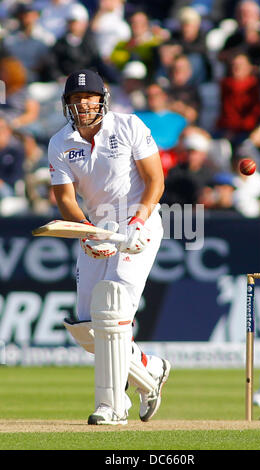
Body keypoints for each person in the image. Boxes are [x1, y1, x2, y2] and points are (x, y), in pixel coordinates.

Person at [47, 68, 171, 425]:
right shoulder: (60, 142)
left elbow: (155, 180)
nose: (83, 104)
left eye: (89, 97)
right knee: (87, 329)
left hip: (139, 225)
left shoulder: (130, 126)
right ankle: (150, 369)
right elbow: (65, 198)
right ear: (67, 104)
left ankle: (113, 407)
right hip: (96, 227)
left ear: (102, 99)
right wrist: (87, 230)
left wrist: (137, 221)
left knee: (113, 305)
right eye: (75, 99)